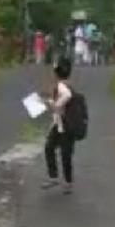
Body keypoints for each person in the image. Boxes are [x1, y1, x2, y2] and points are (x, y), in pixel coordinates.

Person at [42, 58, 76, 194]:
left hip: (65, 125)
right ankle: (59, 179)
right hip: (61, 124)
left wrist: (55, 104)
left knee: (61, 152)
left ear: (56, 72)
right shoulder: (67, 84)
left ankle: (61, 180)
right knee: (52, 148)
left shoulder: (61, 86)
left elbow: (66, 96)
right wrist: (51, 101)